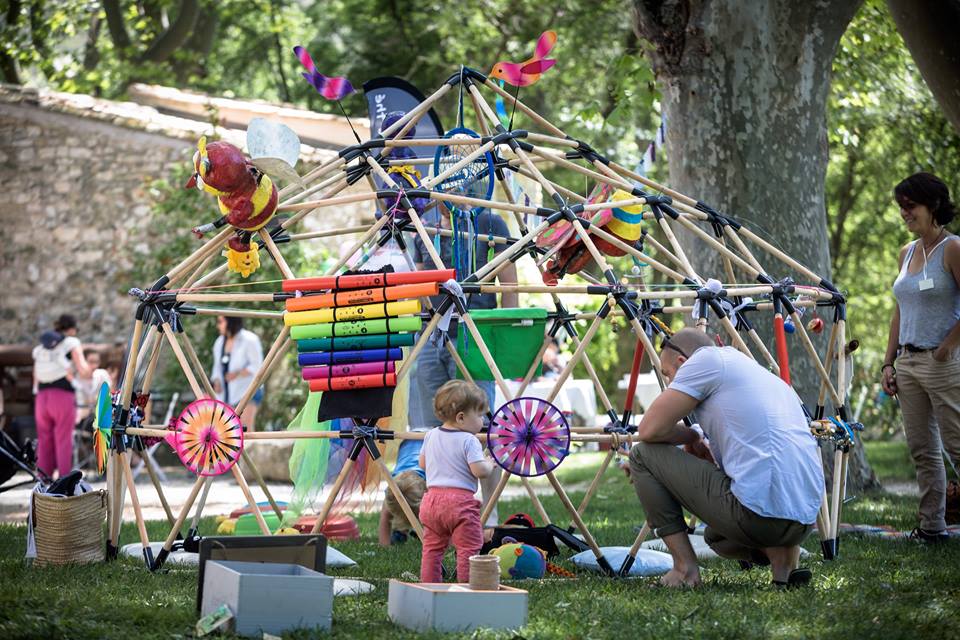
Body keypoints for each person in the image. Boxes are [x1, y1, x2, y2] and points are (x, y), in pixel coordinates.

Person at [629, 328, 824, 588]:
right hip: (805, 521)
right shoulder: (758, 373)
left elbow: (649, 430)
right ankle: (783, 563)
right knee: (718, 538)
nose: (670, 383)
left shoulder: (703, 362)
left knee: (642, 454)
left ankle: (684, 570)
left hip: (761, 518)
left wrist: (691, 438)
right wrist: (702, 444)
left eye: (668, 374)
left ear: (681, 362)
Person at [410, 202, 517, 528]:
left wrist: (502, 335)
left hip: (475, 335)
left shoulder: (490, 222)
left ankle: (489, 517)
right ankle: (441, 512)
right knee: (435, 428)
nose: (443, 199)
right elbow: (419, 284)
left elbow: (509, 283)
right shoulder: (423, 226)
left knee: (481, 426)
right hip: (431, 336)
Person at [882, 172, 960, 543]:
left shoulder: (953, 248)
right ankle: (933, 527)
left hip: (943, 362)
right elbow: (899, 311)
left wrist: (947, 346)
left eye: (910, 206)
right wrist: (888, 361)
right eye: (901, 207)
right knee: (923, 450)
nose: (904, 213)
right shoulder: (906, 252)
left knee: (957, 444)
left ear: (933, 205)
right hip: (908, 364)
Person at [418, 380, 493, 582]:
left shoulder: (431, 435)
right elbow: (479, 471)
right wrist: (489, 463)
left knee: (432, 549)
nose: (482, 421)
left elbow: (423, 464)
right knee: (469, 547)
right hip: (460, 504)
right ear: (461, 418)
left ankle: (429, 586)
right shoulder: (470, 440)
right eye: (479, 415)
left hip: (431, 502)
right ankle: (466, 587)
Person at [32, 314, 92, 479]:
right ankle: (64, 480)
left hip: (42, 397)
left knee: (44, 440)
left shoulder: (41, 347)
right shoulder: (72, 342)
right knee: (63, 439)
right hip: (62, 396)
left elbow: (35, 377)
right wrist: (90, 371)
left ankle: (43, 480)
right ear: (72, 329)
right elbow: (83, 370)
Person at [211, 316, 264, 429]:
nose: (218, 325)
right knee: (228, 433)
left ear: (231, 322)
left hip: (249, 391)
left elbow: (257, 366)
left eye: (220, 322)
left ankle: (250, 447)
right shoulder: (219, 342)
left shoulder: (250, 339)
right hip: (226, 394)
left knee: (245, 430)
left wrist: (237, 374)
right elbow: (217, 367)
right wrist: (216, 381)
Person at [378, 438, 427, 546]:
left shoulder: (432, 480)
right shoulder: (393, 490)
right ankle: (402, 530)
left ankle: (415, 531)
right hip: (408, 443)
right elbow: (385, 517)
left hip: (419, 441)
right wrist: (384, 546)